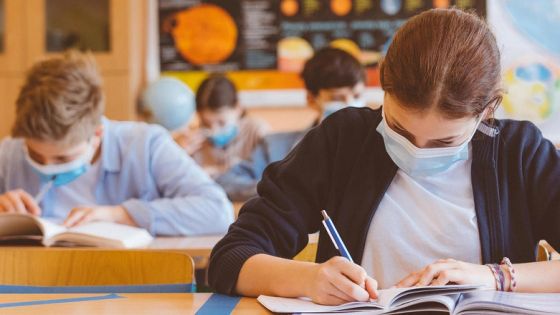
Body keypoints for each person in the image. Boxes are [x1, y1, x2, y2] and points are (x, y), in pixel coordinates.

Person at [208, 8, 560, 305]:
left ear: (487, 111)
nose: (417, 151)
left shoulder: (519, 152)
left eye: (443, 142)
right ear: (383, 90)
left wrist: (496, 277)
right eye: (400, 130)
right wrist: (309, 279)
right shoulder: (342, 140)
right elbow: (230, 259)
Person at [0, 51, 234, 236]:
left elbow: (217, 212)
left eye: (63, 158)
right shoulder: (9, 152)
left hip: (132, 285)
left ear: (98, 133)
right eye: (35, 155)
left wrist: (121, 215)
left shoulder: (147, 145)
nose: (47, 166)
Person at [216, 47, 368, 201]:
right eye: (336, 99)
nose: (350, 105)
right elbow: (227, 183)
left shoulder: (381, 144)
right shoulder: (274, 146)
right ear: (311, 99)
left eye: (357, 95)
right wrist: (280, 189)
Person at [174, 74, 269, 178]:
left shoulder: (257, 131)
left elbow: (269, 173)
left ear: (238, 108)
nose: (214, 130)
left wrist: (217, 170)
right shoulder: (192, 141)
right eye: (205, 123)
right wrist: (178, 153)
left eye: (221, 122)